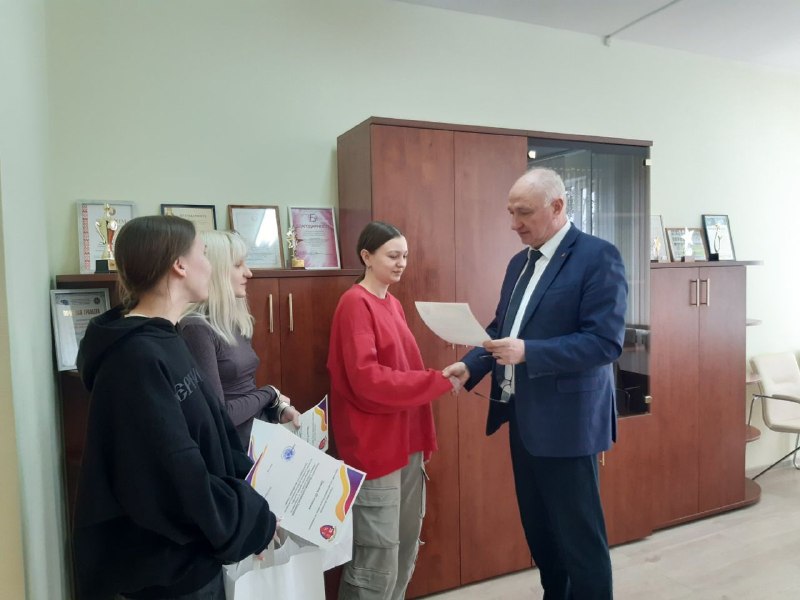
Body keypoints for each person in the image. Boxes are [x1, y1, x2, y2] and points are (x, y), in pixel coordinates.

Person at [444, 168, 628, 600]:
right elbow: (502, 327)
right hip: (524, 420)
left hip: (569, 425)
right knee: (542, 536)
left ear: (557, 206)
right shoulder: (519, 263)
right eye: (510, 212)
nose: (514, 224)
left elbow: (605, 342)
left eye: (524, 212)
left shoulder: (597, 256)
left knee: (580, 543)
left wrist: (530, 352)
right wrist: (472, 365)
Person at [73, 216, 276, 600]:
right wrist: (245, 522)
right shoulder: (135, 358)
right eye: (204, 254)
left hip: (194, 555)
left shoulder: (167, 338)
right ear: (179, 265)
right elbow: (175, 471)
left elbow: (209, 436)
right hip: (166, 572)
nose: (211, 266)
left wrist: (247, 508)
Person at [327, 221, 458, 600]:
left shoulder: (392, 303)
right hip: (376, 447)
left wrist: (435, 381)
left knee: (403, 549)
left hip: (407, 442)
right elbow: (368, 381)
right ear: (366, 257)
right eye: (393, 255)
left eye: (405, 256)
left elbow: (401, 371)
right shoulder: (355, 304)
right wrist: (435, 381)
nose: (401, 263)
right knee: (376, 559)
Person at [179, 230, 300, 449]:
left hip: (259, 437)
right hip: (233, 448)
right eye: (238, 265)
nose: (249, 273)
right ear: (215, 270)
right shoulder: (196, 329)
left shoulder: (236, 322)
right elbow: (219, 414)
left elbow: (245, 392)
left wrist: (277, 409)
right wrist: (270, 393)